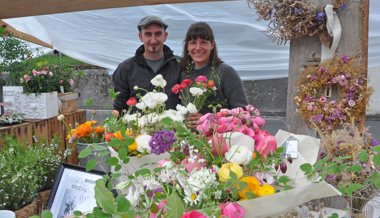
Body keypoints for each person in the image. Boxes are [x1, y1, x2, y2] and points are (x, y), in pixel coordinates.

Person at [180, 22, 248, 128]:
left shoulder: (225, 72)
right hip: (189, 139)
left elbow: (243, 113)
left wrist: (209, 120)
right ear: (187, 47)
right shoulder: (184, 74)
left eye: (203, 42)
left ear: (212, 45)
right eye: (193, 42)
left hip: (218, 140)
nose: (198, 48)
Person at [112, 15, 181, 115]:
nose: (153, 40)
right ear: (141, 37)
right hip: (138, 130)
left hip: (173, 129)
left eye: (158, 34)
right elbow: (120, 108)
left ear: (165, 36)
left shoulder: (180, 66)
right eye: (148, 34)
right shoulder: (125, 69)